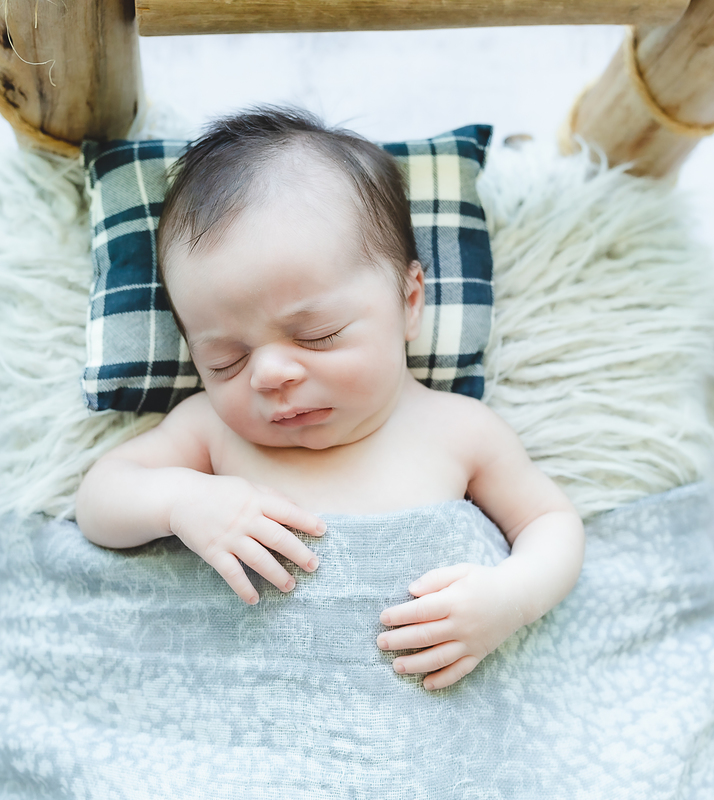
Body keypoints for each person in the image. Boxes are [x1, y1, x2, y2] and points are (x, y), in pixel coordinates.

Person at [75, 107, 585, 692]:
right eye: (225, 360)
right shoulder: (212, 430)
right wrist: (178, 500)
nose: (269, 374)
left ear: (409, 302)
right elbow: (98, 499)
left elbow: (551, 522)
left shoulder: (460, 431)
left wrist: (508, 598)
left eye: (317, 335)